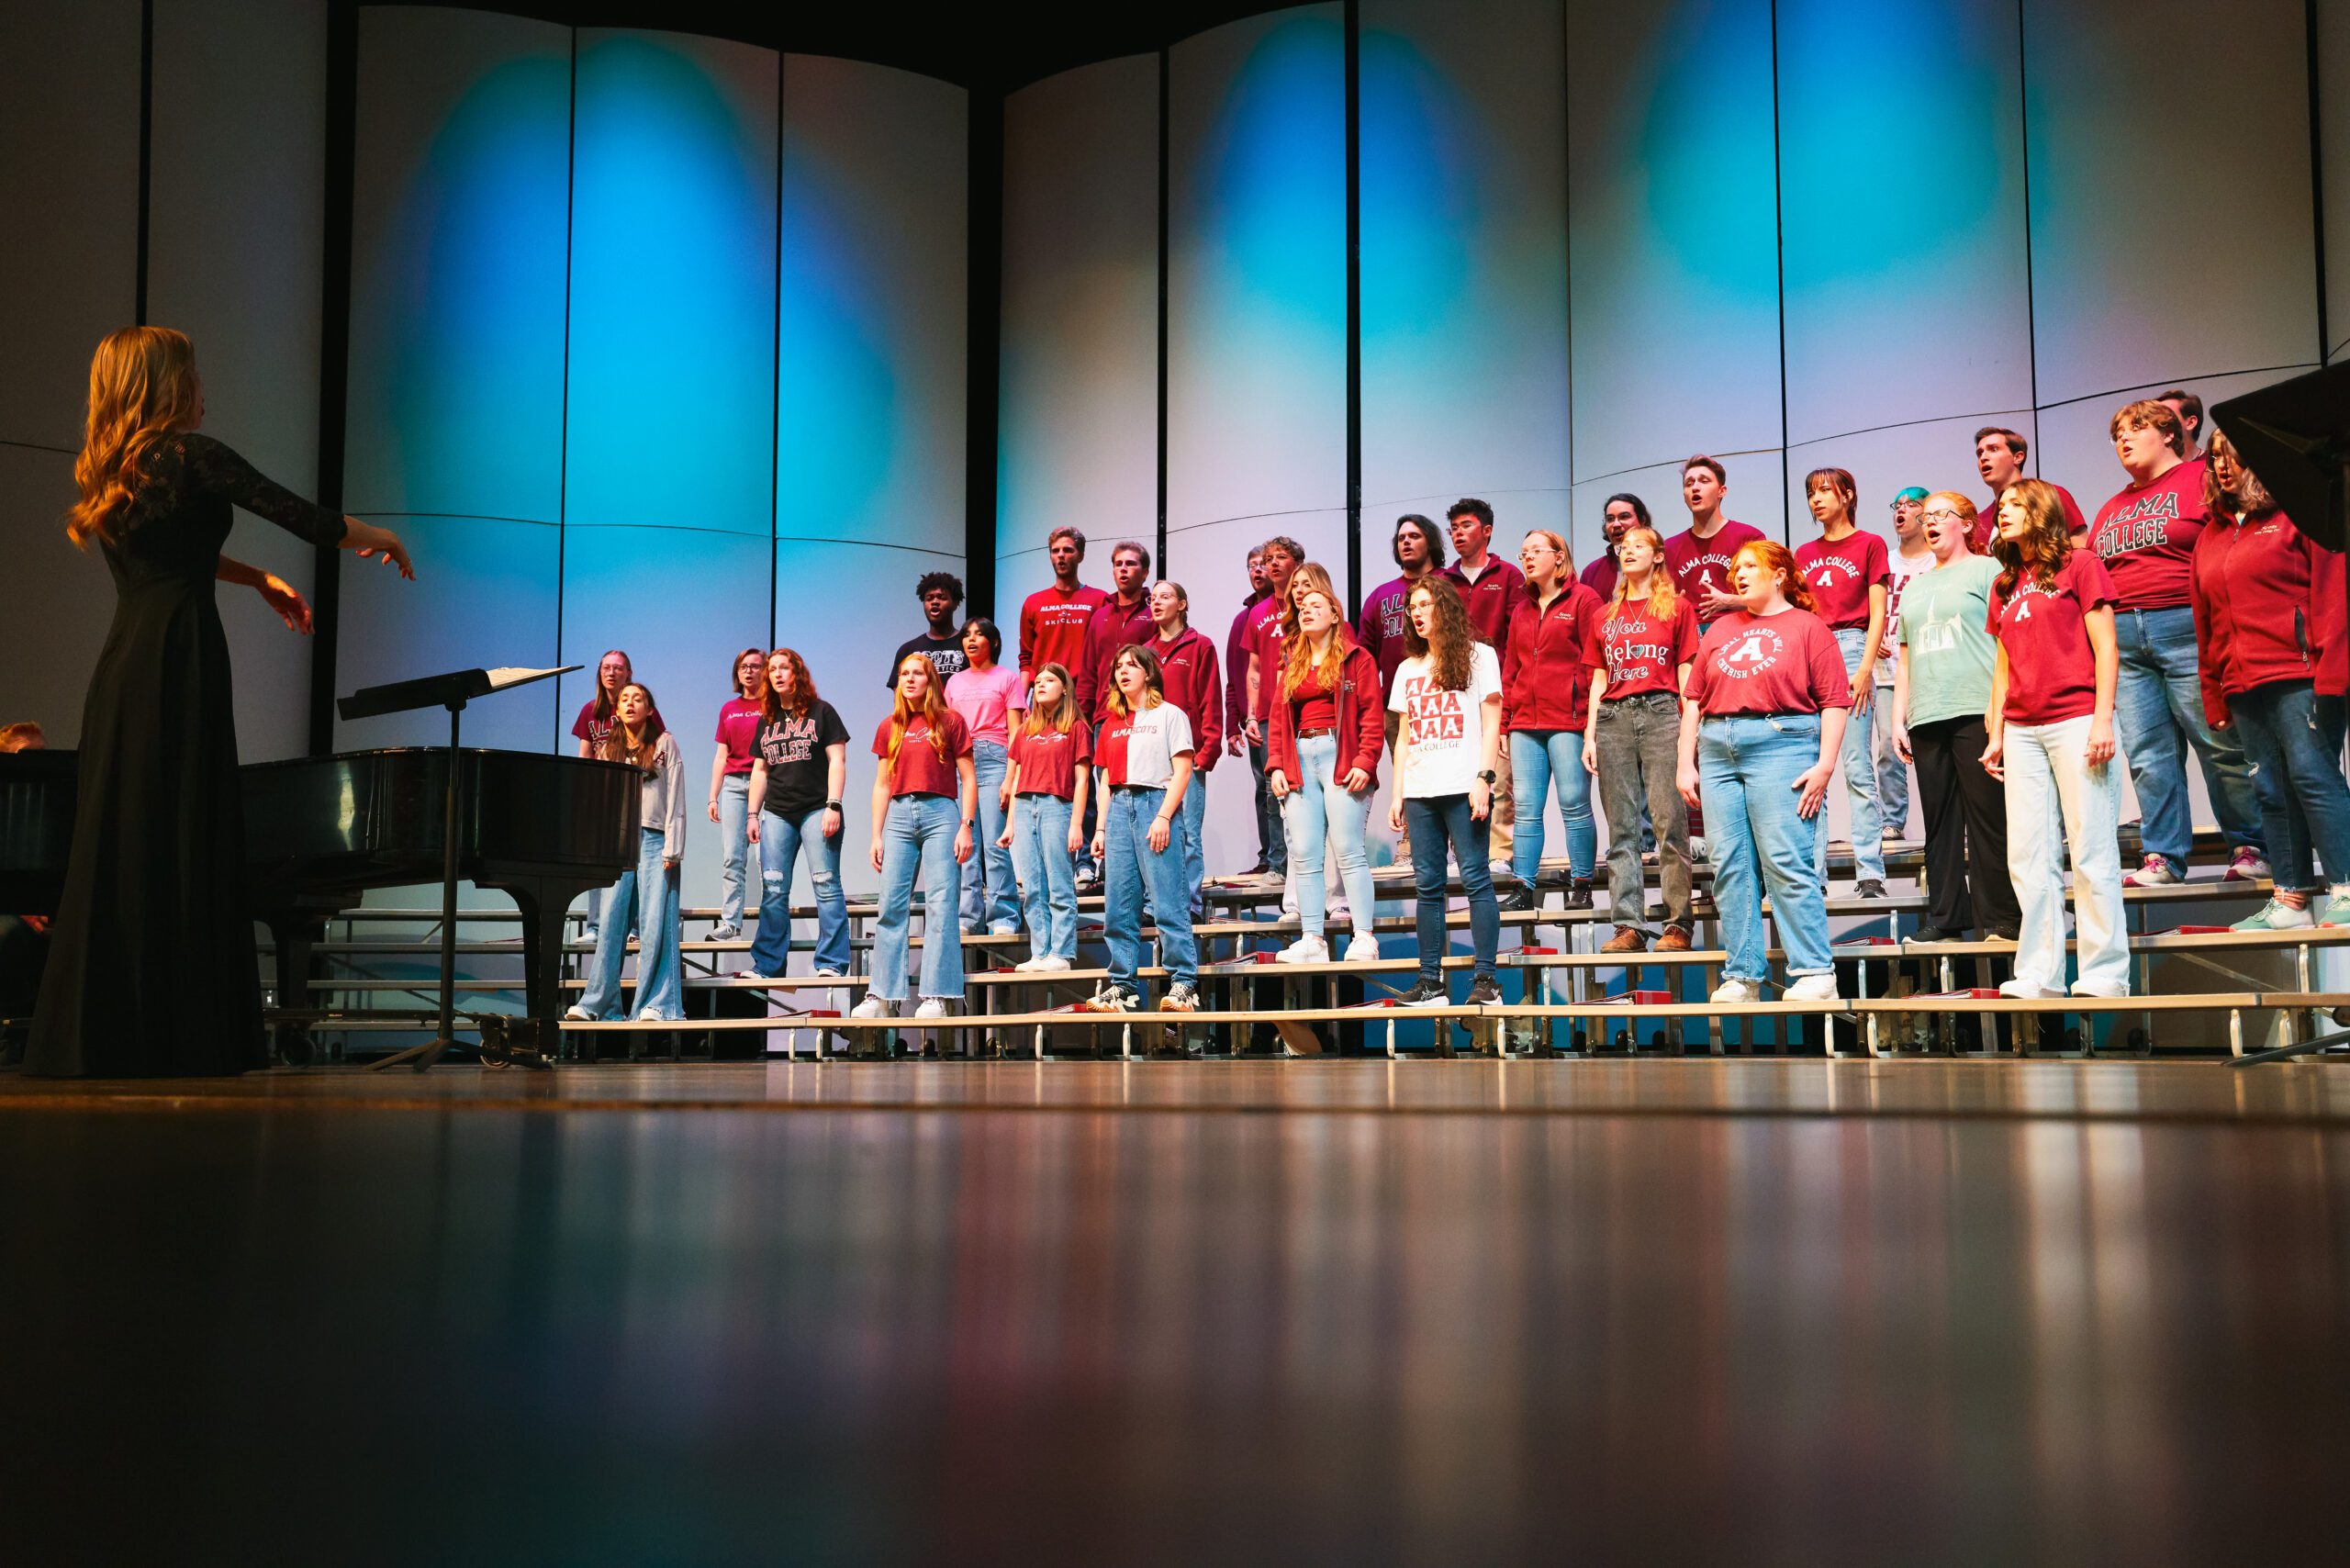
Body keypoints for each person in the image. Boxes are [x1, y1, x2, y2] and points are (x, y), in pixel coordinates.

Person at [28, 325, 412, 1078]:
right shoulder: (192, 454)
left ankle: (112, 1038)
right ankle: (185, 1037)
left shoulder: (115, 466)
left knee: (129, 839)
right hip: (182, 658)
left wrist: (257, 580)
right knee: (185, 833)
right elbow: (300, 514)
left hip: (124, 665)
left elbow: (175, 555)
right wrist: (383, 536)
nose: (205, 386)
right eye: (194, 371)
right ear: (167, 382)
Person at [2087, 398, 2266, 886]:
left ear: (2169, 433)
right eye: (2116, 434)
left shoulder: (2198, 479)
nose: (2123, 439)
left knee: (2218, 741)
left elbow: (2233, 537)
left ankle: (2251, 846)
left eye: (2136, 428)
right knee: (2147, 753)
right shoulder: (2112, 506)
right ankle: (2163, 856)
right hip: (2126, 635)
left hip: (2184, 623)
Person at [1675, 540, 1852, 1005]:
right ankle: (1743, 976)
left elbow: (1835, 700)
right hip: (1717, 750)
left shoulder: (1807, 626)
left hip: (1782, 744)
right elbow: (1693, 699)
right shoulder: (1719, 628)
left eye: (1751, 565)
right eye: (1736, 567)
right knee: (1729, 867)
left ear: (1779, 575)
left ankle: (1814, 972)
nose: (1740, 573)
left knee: (1784, 861)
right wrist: (1684, 763)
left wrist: (1825, 765)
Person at [2194, 431, 2350, 931]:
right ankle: (2291, 899)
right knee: (2270, 790)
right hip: (2243, 681)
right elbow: (2206, 622)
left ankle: (2346, 889)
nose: (2222, 466)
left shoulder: (2297, 515)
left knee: (2313, 778)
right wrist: (2213, 693)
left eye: (2233, 456)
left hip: (2301, 672)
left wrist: (2332, 672)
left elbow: (2332, 594)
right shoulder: (2209, 536)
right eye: (2215, 457)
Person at [1981, 479, 2129, 999]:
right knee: (2028, 857)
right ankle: (2038, 974)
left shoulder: (2081, 565)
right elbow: (2002, 664)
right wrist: (1996, 729)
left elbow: (2107, 648)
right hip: (2021, 730)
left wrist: (2103, 718)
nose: (2003, 513)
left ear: (2041, 513)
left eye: (2015, 505)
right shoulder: (2004, 584)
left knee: (2090, 851)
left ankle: (2104, 973)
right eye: (2001, 507)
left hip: (2075, 719)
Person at [1891, 494, 2020, 942]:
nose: (1929, 522)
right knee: (1940, 823)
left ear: (1966, 524)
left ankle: (2003, 918)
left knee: (1988, 817)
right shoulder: (1915, 586)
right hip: (1927, 713)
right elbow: (1904, 658)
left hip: (1974, 707)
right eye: (1925, 517)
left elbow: (2007, 640)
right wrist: (1898, 717)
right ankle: (1946, 918)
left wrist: (1999, 708)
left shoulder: (1988, 571)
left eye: (1940, 515)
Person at [1386, 576, 1505, 1008]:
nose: (1416, 614)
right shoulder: (1407, 669)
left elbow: (1492, 723)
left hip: (1463, 784)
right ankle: (1431, 982)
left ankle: (1486, 982)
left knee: (1475, 879)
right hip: (1420, 789)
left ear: (1444, 608)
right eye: (1411, 608)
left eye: (1424, 605)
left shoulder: (1480, 657)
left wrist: (1484, 779)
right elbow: (1402, 737)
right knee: (1428, 887)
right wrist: (1398, 794)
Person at [1583, 523, 1699, 953]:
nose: (1627, 551)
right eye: (1622, 546)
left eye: (1637, 546)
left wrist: (1691, 723)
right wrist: (1590, 734)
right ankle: (1628, 926)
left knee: (1670, 821)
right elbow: (1598, 678)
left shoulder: (1677, 608)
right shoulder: (1604, 614)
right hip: (1613, 717)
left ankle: (1677, 923)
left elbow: (1686, 671)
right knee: (1622, 829)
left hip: (1661, 712)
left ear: (1657, 556)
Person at [1266, 564, 1384, 964]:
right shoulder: (1291, 662)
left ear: (1335, 614)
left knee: (1349, 851)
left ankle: (1364, 936)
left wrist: (1366, 761)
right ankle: (1312, 939)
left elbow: (1371, 714)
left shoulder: (1358, 658)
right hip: (1300, 757)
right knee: (1305, 854)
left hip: (1341, 757)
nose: (1308, 611)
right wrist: (1277, 767)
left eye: (1317, 605)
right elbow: (1278, 721)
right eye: (1303, 609)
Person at [856, 654, 977, 1023]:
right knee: (891, 906)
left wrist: (966, 825)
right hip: (899, 815)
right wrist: (875, 834)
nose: (909, 679)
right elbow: (881, 784)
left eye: (917, 674)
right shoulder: (889, 725)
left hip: (941, 812)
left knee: (941, 903)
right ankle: (881, 995)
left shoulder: (950, 721)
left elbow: (968, 778)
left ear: (930, 679)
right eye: (904, 674)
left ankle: (936, 994)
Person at [1083, 645, 1203, 1018]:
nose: (1123, 672)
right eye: (1118, 666)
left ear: (1149, 672)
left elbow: (1182, 771)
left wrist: (1165, 817)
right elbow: (1103, 780)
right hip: (1119, 807)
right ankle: (1123, 986)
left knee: (1167, 898)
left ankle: (1183, 982)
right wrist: (1100, 828)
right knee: (1119, 905)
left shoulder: (1170, 715)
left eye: (1131, 666)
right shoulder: (1111, 723)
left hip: (1155, 802)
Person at [1794, 466, 1891, 898]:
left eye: (1824, 492)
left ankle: (1869, 870)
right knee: (1812, 769)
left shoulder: (1870, 543)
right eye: (1811, 493)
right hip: (1809, 650)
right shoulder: (1803, 552)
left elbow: (1877, 612)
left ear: (1848, 495)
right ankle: (1814, 875)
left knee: (1855, 766)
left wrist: (1866, 667)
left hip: (1852, 645)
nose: (1816, 500)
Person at [568, 683, 688, 1024]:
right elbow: (603, 802)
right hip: (620, 842)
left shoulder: (665, 743)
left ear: (649, 709)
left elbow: (676, 795)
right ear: (616, 710)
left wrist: (673, 846)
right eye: (624, 699)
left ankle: (658, 1004)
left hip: (655, 840)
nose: (630, 703)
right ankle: (599, 1004)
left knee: (654, 923)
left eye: (638, 699)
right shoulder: (609, 748)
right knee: (611, 923)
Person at [1500, 529, 1603, 909]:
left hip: (1569, 720)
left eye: (1535, 551)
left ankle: (1582, 885)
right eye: (1522, 552)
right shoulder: (1522, 608)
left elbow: (1595, 665)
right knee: (1526, 807)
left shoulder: (1584, 599)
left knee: (1574, 803)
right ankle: (1524, 888)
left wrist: (1592, 723)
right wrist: (1506, 721)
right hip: (1525, 723)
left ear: (1559, 556)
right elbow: (1511, 667)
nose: (1526, 558)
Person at [740, 648, 850, 982]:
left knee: (826, 885)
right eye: (771, 669)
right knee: (773, 889)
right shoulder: (767, 719)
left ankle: (831, 963)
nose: (776, 674)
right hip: (777, 813)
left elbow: (837, 761)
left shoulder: (822, 712)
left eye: (783, 668)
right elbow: (759, 770)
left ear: (797, 673)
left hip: (817, 809)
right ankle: (767, 965)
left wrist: (834, 804)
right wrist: (752, 814)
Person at [1443, 498, 1527, 865]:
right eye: (1454, 528)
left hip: (1496, 689)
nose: (1458, 534)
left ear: (1486, 531)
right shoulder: (1443, 581)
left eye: (1465, 526)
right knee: (1452, 777)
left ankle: (1499, 853)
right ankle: (1459, 853)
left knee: (1499, 776)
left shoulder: (1509, 576)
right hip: (1453, 691)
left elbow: (1516, 635)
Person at [1359, 517, 1447, 862]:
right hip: (1398, 703)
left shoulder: (1446, 584)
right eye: (1401, 538)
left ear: (1431, 542)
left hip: (1446, 693)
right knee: (1408, 771)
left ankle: (1455, 843)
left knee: (1451, 768)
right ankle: (1412, 843)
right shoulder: (1381, 595)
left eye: (1415, 536)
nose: (1406, 542)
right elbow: (1364, 653)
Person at [1000, 663, 1091, 971]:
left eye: (1049, 680)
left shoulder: (1076, 727)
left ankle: (1062, 953)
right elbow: (1017, 777)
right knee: (1034, 885)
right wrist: (1011, 823)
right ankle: (1040, 952)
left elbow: (1082, 780)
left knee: (1058, 883)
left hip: (1056, 806)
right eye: (1037, 681)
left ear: (1064, 687)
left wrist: (1077, 823)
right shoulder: (1026, 730)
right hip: (1025, 807)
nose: (1040, 685)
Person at [1146, 580, 1222, 916]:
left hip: (1188, 757)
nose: (1156, 603)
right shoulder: (1144, 652)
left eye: (1164, 597)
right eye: (1152, 598)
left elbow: (1210, 699)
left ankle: (1189, 902)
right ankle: (1155, 902)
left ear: (1182, 604)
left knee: (1188, 833)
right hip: (1150, 759)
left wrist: (1207, 753)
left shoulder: (1199, 645)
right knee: (1155, 833)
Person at [946, 618, 1024, 935]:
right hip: (960, 760)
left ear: (993, 641)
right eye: (966, 635)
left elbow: (1017, 733)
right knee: (966, 844)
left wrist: (1010, 777)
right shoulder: (954, 682)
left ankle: (1003, 916)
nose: (971, 639)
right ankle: (967, 916)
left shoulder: (1007, 678)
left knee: (995, 843)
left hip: (994, 757)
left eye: (979, 634)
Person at [1242, 536, 1304, 883]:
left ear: (1296, 562)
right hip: (1268, 714)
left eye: (1282, 557)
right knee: (1271, 789)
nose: (1274, 564)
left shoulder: (1307, 603)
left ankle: (1311, 863)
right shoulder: (1258, 613)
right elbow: (1253, 668)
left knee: (1307, 786)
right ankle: (1279, 865)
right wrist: (1251, 714)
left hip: (1307, 709)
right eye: (1269, 559)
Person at [1877, 487, 1936, 841]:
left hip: (1929, 667)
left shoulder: (1936, 560)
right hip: (1887, 671)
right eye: (1896, 505)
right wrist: (1875, 641)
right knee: (1889, 747)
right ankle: (1892, 819)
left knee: (1932, 747)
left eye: (1910, 504)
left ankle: (1943, 818)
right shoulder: (1884, 561)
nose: (1901, 510)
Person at [705, 646, 767, 942]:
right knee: (733, 856)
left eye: (755, 666)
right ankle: (731, 922)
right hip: (733, 785)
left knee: (767, 858)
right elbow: (721, 754)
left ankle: (771, 920)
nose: (749, 671)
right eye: (744, 666)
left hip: (766, 782)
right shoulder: (728, 709)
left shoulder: (772, 705)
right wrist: (713, 795)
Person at [1224, 547, 1276, 876]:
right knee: (1263, 789)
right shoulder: (1242, 620)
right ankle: (1268, 857)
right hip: (1254, 721)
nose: (1258, 571)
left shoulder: (1292, 609)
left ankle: (1288, 860)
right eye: (1251, 566)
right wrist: (1233, 725)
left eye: (1263, 565)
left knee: (1280, 788)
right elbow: (1234, 676)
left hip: (1282, 716)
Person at [1663, 455, 1765, 625]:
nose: (1695, 487)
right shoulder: (1670, 547)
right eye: (1689, 483)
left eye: (1704, 481)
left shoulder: (1749, 537)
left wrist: (1730, 601)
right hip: (1689, 636)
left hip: (1739, 629)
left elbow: (1769, 595)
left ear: (1721, 491)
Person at [1972, 426, 2087, 555]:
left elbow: (2082, 550)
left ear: (2018, 457)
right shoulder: (1980, 522)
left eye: (1994, 449)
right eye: (1979, 453)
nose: (1983, 457)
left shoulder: (2050, 495)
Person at [1019, 527, 1108, 689]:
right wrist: (1021, 702)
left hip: (1083, 694)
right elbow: (1026, 658)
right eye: (1055, 551)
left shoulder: (1100, 600)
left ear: (1080, 556)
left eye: (1067, 550)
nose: (1061, 555)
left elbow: (1105, 655)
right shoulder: (1033, 602)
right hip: (1043, 693)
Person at [885, 571, 969, 689]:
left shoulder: (967, 646)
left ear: (955, 604)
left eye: (942, 598)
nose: (935, 602)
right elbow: (900, 697)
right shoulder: (908, 650)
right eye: (929, 598)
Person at [1580, 493, 1649, 603]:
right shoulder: (1591, 572)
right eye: (1610, 519)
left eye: (1624, 516)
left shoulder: (1664, 560)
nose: (1616, 524)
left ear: (1642, 521)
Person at [2159, 387, 2206, 456]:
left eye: (2166, 415)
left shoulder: (2214, 464)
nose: (2158, 422)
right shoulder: (2151, 466)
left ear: (2190, 423)